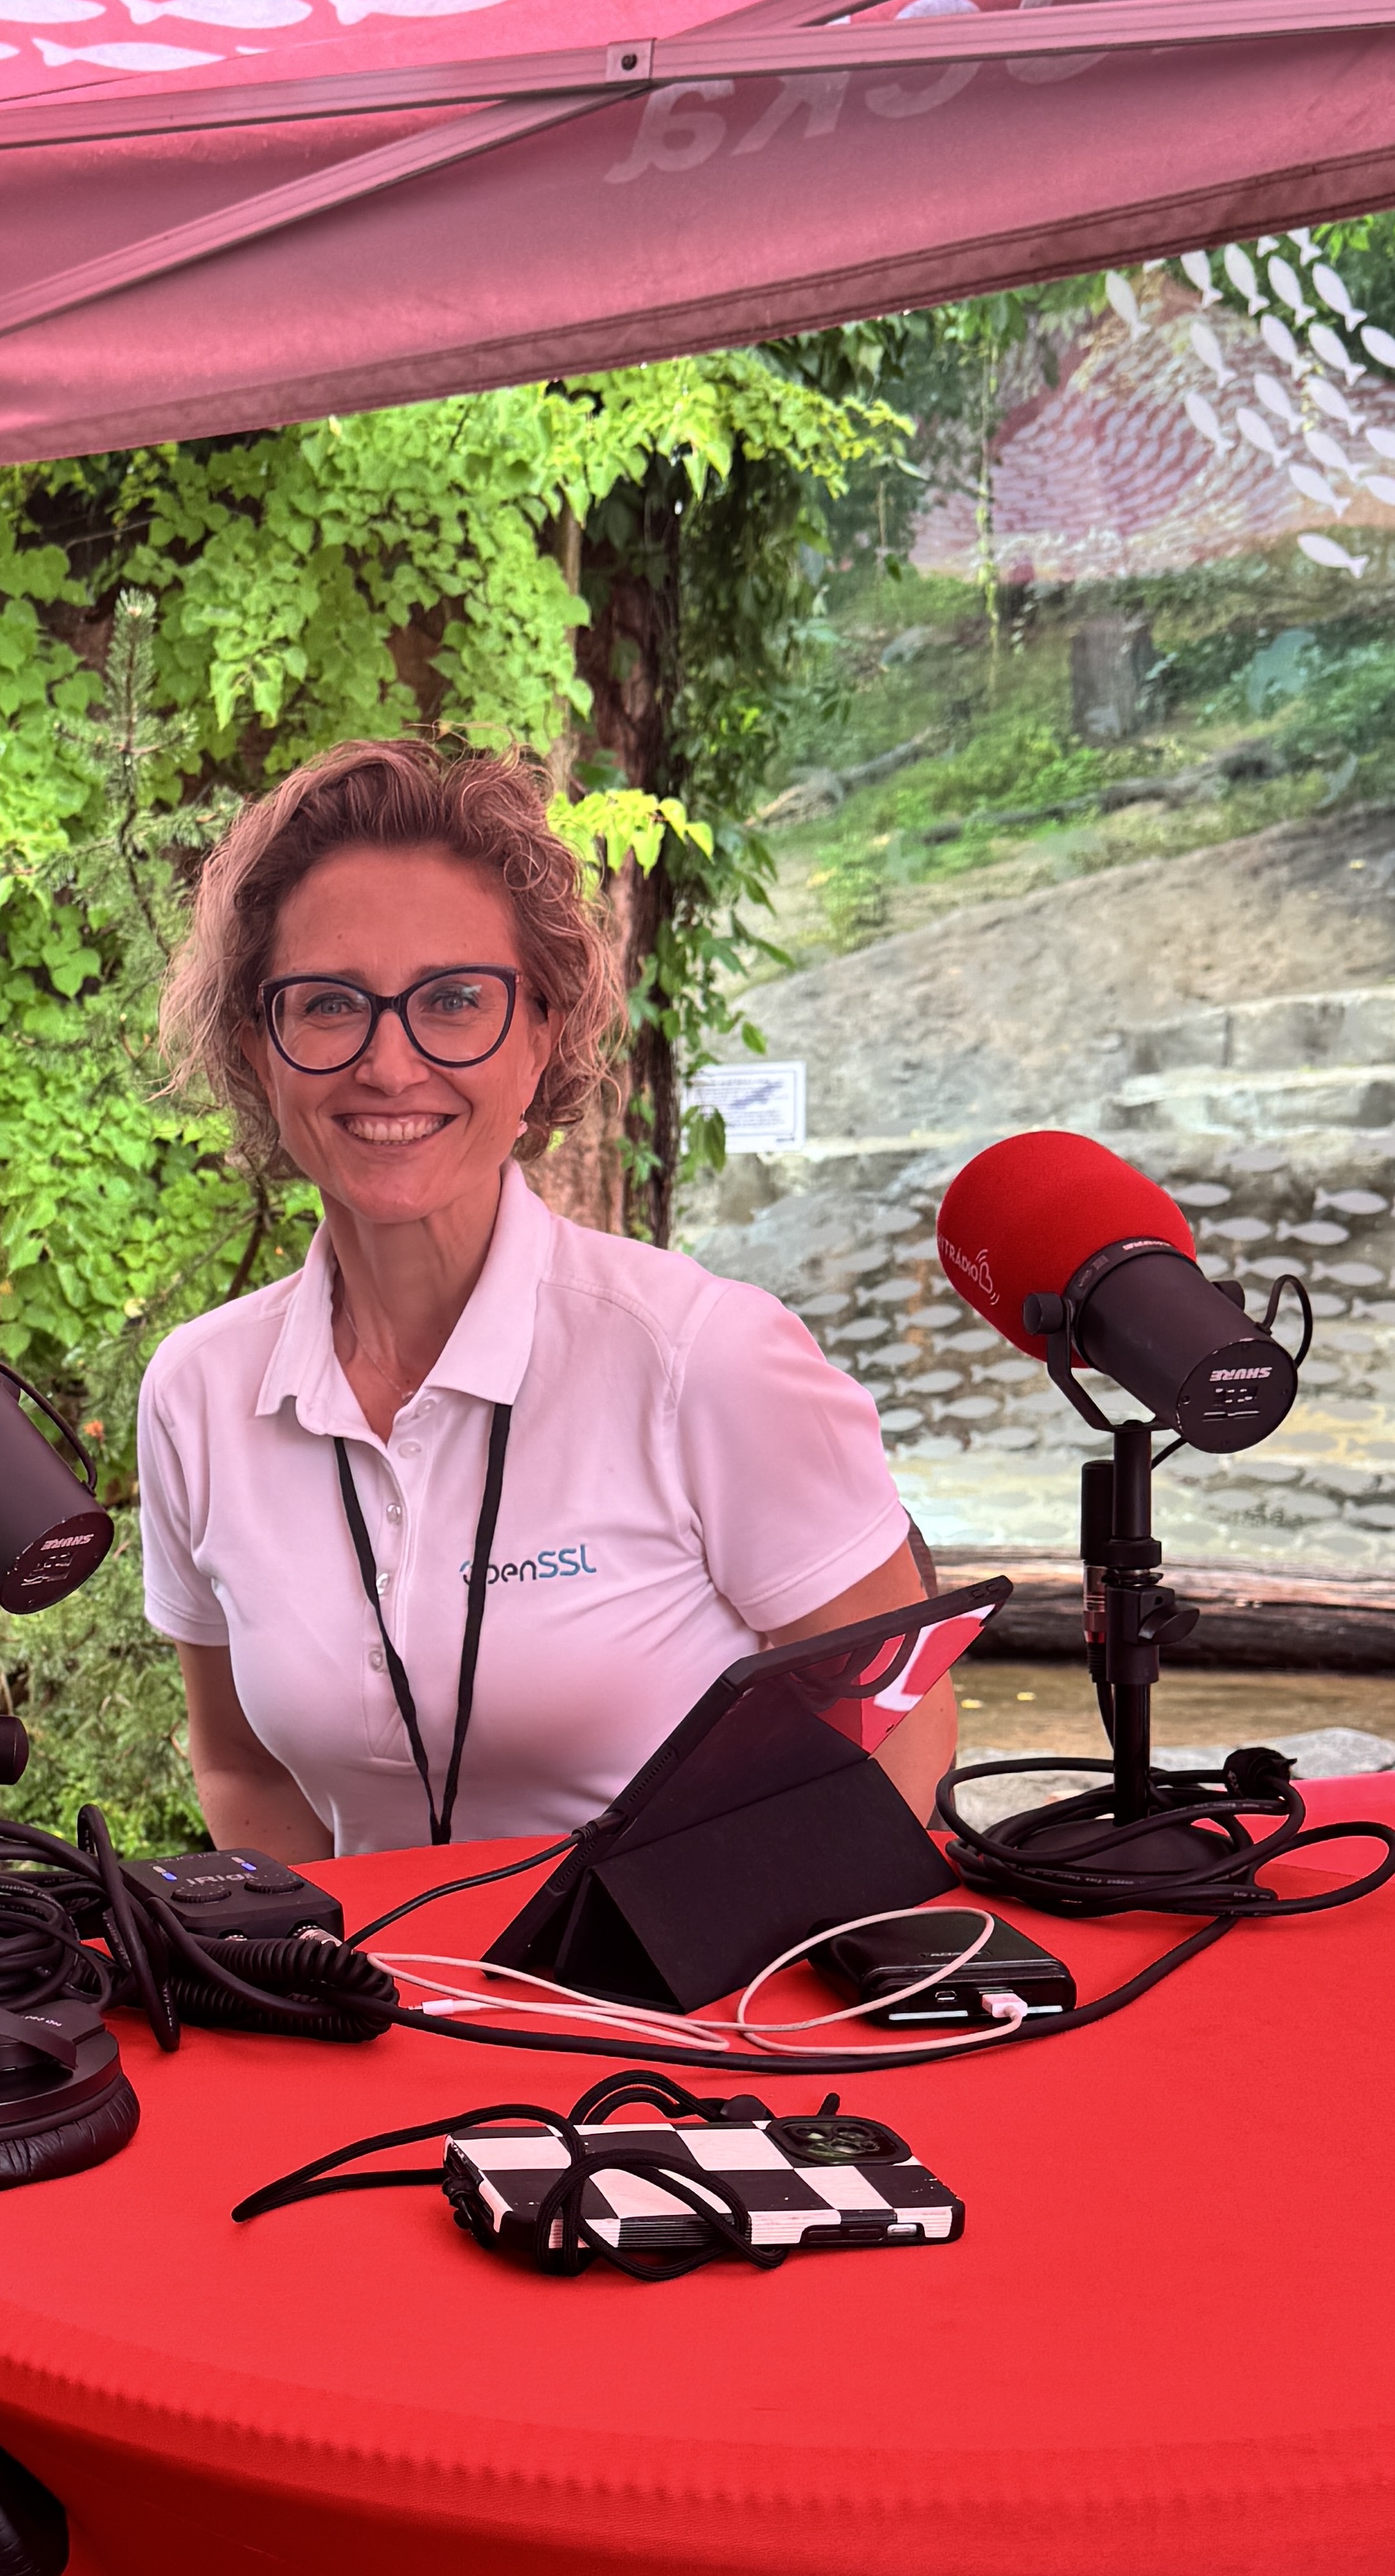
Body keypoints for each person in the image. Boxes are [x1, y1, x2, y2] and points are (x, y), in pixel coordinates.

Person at [137, 740, 952, 1867]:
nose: (388, 1063)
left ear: (541, 1036)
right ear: (257, 1050)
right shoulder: (197, 1391)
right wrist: (330, 1986)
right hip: (375, 2024)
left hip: (673, 2024)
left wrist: (720, 2002)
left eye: (454, 1000)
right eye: (328, 1005)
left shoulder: (701, 1358)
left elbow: (891, 1725)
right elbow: (242, 1767)